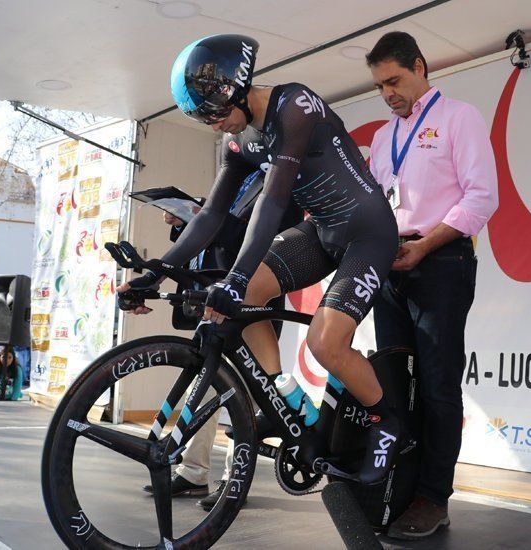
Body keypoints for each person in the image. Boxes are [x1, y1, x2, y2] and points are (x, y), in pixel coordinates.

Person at [123, 33, 403, 484]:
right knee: (251, 292)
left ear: (234, 88)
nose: (214, 127)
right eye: (201, 119)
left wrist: (233, 277)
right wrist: (155, 271)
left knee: (325, 344)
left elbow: (272, 204)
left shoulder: (294, 105)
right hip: (322, 230)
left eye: (213, 114)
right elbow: (212, 214)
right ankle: (283, 399)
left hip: (368, 233)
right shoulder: (240, 140)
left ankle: (387, 423)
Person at [364, 32, 498, 539]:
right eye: (379, 86)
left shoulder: (459, 117)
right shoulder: (381, 137)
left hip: (441, 259)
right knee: (392, 385)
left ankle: (433, 498)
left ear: (420, 67)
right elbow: (380, 203)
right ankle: (397, 487)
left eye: (394, 81)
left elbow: (482, 198)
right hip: (388, 264)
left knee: (439, 386)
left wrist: (426, 244)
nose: (388, 94)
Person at [133, 166, 301, 507]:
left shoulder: (283, 180)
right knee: (204, 386)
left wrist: (210, 221)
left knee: (246, 393)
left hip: (251, 299)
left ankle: (234, 478)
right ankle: (194, 473)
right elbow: (211, 238)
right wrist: (187, 223)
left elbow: (264, 241)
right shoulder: (238, 178)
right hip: (216, 298)